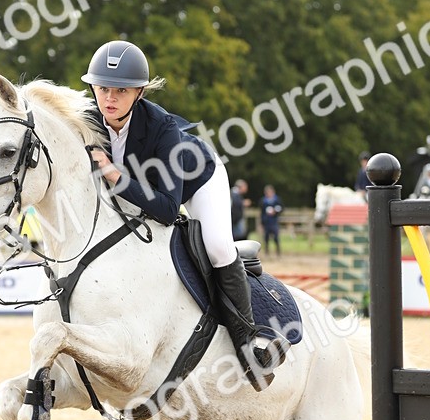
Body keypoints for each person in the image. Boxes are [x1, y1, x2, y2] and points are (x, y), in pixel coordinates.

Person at [83, 40, 286, 389]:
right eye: (102, 88)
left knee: (219, 245)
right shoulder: (87, 120)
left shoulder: (162, 128)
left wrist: (114, 174)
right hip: (142, 188)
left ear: (139, 93)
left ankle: (249, 343)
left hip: (196, 181)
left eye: (120, 90)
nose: (109, 98)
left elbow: (165, 208)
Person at [260, 185, 283, 256]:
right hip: (267, 221)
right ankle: (267, 252)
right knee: (266, 237)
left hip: (274, 221)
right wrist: (262, 222)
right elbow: (262, 213)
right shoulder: (263, 201)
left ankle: (278, 252)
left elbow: (281, 208)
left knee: (276, 237)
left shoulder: (277, 200)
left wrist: (275, 211)